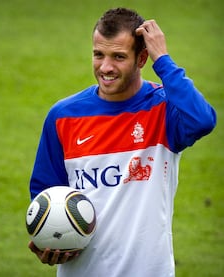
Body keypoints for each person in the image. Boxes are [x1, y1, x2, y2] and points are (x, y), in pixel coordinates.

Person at [28, 7, 216, 277]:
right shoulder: (63, 116)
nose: (105, 67)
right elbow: (45, 194)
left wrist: (162, 59)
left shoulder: (163, 109)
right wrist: (48, 239)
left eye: (118, 57)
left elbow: (202, 120)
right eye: (98, 55)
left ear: (141, 59)